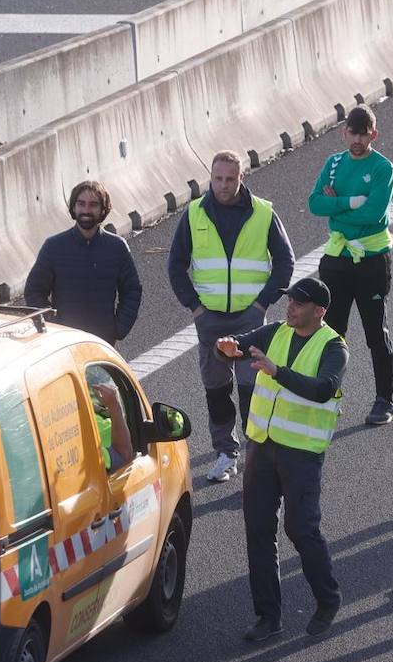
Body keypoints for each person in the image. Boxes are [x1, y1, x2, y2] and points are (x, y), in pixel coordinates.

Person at [215, 278, 347, 641]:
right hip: (261, 447)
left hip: (301, 453)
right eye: (290, 301)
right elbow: (238, 346)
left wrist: (278, 373)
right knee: (258, 530)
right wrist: (225, 348)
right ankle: (268, 616)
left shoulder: (333, 347)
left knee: (301, 529)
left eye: (299, 304)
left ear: (318, 312)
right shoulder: (276, 331)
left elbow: (323, 389)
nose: (290, 307)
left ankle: (328, 598)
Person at [169, 151, 295, 483]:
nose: (223, 186)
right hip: (210, 321)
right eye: (218, 178)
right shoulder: (194, 213)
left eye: (230, 178)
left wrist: (262, 304)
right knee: (216, 390)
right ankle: (226, 452)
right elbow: (175, 266)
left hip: (249, 321)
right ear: (210, 178)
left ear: (242, 178)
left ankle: (258, 458)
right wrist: (195, 308)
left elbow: (285, 262)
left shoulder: (263, 213)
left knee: (251, 390)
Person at [308, 104, 393, 426]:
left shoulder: (382, 168)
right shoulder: (333, 164)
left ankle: (385, 399)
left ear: (373, 134)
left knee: (375, 331)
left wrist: (336, 207)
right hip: (337, 259)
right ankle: (329, 396)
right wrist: (348, 202)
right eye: (352, 133)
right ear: (344, 132)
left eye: (364, 134)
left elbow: (374, 213)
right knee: (331, 330)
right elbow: (314, 203)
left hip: (372, 259)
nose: (357, 140)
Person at [25, 180, 142, 343]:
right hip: (64, 344)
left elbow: (132, 290)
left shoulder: (117, 248)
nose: (86, 210)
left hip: (102, 344)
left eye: (93, 205)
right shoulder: (54, 247)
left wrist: (118, 328)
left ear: (103, 210)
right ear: (74, 207)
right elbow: (34, 292)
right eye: (81, 204)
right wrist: (54, 326)